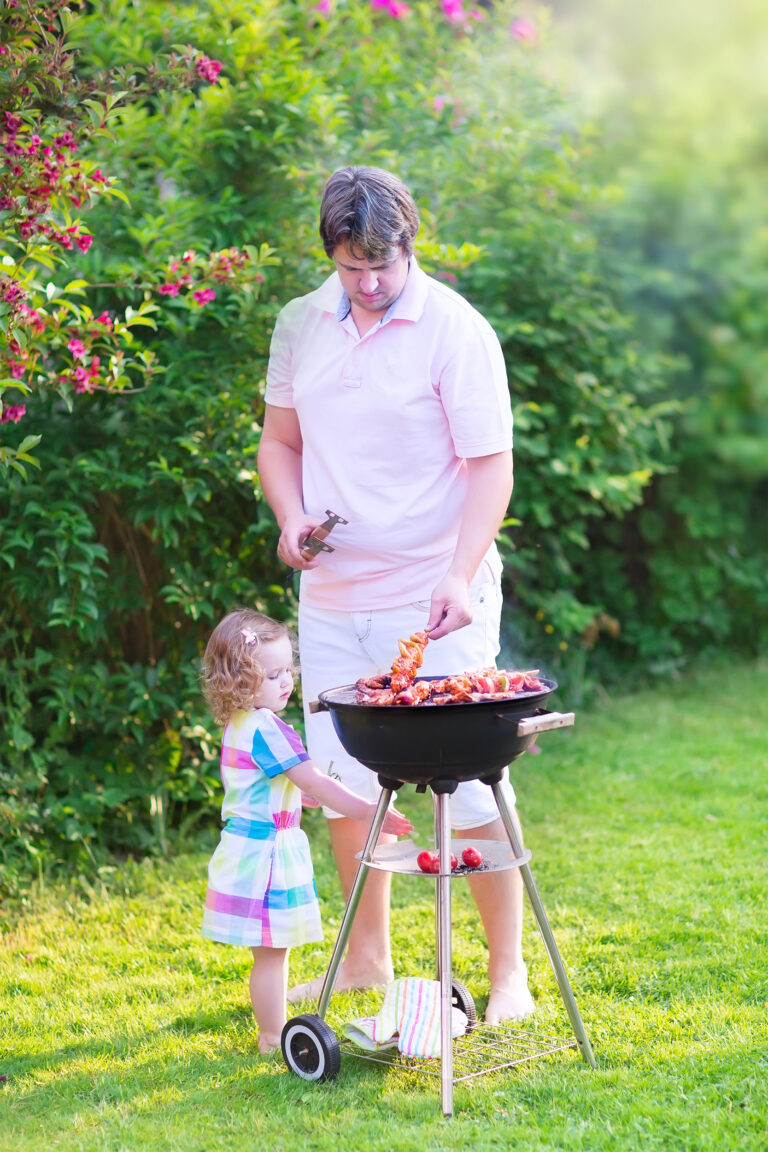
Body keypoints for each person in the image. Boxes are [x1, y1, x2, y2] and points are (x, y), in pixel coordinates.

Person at [257, 165, 535, 1024]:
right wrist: (290, 516)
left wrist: (458, 574)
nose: (370, 283)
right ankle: (365, 963)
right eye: (351, 267)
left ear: (410, 244)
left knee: (474, 786)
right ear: (330, 255)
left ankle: (509, 975)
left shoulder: (456, 329)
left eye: (383, 263)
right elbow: (279, 441)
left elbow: (492, 468)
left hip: (435, 595)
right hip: (335, 596)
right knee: (344, 774)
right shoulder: (301, 324)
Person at [200, 607, 413, 1053]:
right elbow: (312, 778)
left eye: (288, 669)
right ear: (241, 681)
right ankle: (272, 1036)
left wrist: (301, 795)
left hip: (248, 844)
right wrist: (367, 811)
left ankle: (270, 1030)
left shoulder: (239, 725)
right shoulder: (271, 730)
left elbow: (276, 783)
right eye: (273, 673)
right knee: (274, 953)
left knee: (270, 952)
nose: (286, 680)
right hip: (267, 855)